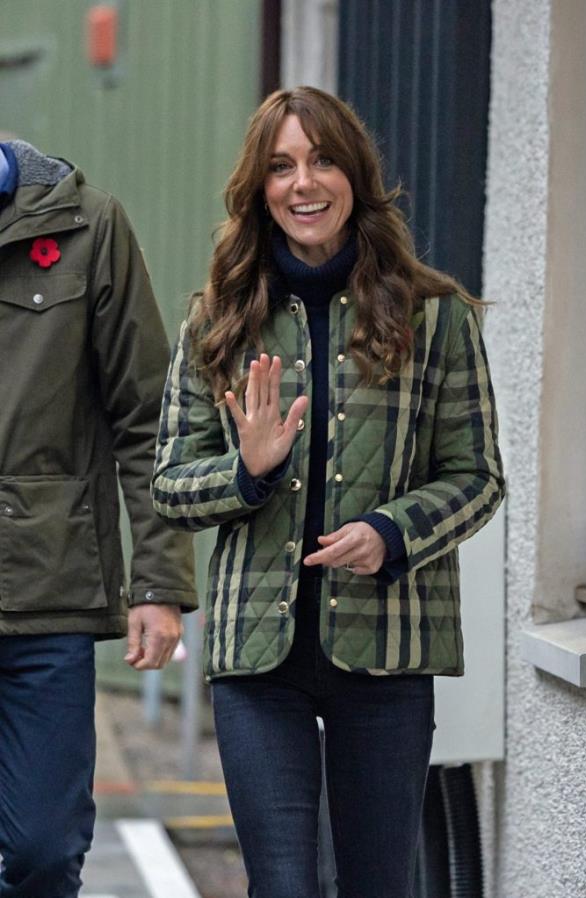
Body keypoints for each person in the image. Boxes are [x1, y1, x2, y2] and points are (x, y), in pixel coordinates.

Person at [152, 86, 504, 898]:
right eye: (281, 166)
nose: (303, 183)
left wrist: (392, 530)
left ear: (356, 175)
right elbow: (171, 483)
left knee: (380, 884)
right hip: (256, 662)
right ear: (259, 189)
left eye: (322, 160)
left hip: (385, 655)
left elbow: (478, 476)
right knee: (281, 885)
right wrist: (249, 471)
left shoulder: (436, 318)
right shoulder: (217, 319)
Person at [0, 139, 197, 898]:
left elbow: (148, 419)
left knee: (45, 850)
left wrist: (159, 583)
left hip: (50, 594)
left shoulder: (87, 226)